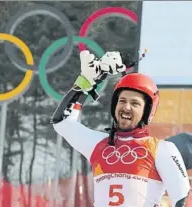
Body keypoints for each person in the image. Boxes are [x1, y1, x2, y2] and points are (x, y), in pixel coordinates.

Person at [50, 50, 191, 207]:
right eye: (122, 101)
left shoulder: (162, 149)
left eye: (135, 103)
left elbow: (182, 198)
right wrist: (88, 81)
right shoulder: (99, 144)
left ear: (147, 111)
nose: (126, 107)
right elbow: (62, 122)